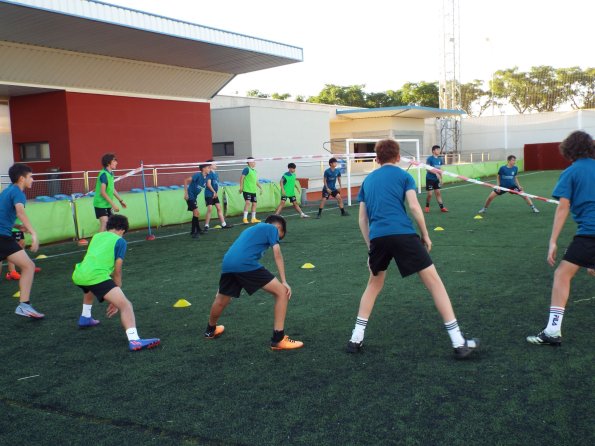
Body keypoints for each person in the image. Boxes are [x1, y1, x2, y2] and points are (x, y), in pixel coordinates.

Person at [346, 139, 478, 359]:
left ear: (376, 159)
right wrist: (425, 234)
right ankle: (458, 342)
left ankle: (355, 338)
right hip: (403, 234)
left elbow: (362, 219)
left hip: (378, 238)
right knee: (434, 283)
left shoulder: (367, 181)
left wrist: (371, 248)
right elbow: (415, 207)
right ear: (398, 158)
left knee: (374, 284)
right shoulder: (404, 176)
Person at [527, 130, 595, 346]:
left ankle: (553, 330)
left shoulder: (571, 172)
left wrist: (553, 241)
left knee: (562, 275)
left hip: (589, 233)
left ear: (569, 149)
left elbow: (562, 208)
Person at [203, 214, 303, 350]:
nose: (277, 238)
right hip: (245, 264)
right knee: (282, 292)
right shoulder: (272, 229)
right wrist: (284, 281)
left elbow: (238, 250)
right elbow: (277, 254)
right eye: (280, 236)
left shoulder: (251, 229)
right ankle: (278, 339)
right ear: (279, 228)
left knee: (222, 299)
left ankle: (210, 330)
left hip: (228, 263)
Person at [72, 214, 160, 352]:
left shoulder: (97, 236)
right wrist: (116, 295)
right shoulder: (120, 241)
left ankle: (85, 316)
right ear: (122, 230)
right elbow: (117, 270)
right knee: (126, 305)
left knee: (89, 287)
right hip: (95, 276)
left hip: (79, 274)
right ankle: (134, 340)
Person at [0, 163, 44, 318]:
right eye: (30, 177)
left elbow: (4, 215)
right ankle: (24, 305)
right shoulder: (18, 192)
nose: (32, 180)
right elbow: (20, 212)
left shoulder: (6, 192)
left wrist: (17, 226)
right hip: (2, 237)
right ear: (21, 179)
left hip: (3, 235)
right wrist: (33, 233)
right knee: (29, 266)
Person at [93, 153, 127, 232]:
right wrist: (113, 205)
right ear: (108, 163)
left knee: (111, 226)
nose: (116, 163)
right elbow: (103, 192)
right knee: (104, 224)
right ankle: (97, 243)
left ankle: (109, 242)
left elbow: (112, 189)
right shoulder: (104, 174)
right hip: (100, 204)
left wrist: (121, 201)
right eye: (114, 161)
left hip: (107, 204)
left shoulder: (111, 174)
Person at [204, 160, 232, 231]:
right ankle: (206, 225)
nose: (216, 164)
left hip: (214, 194)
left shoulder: (216, 174)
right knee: (210, 209)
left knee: (219, 208)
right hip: (209, 194)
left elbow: (216, 183)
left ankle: (223, 224)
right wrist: (214, 192)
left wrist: (216, 192)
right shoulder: (209, 173)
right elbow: (208, 184)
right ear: (210, 166)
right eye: (214, 164)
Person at [184, 163, 210, 238]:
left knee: (196, 213)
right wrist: (186, 194)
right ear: (203, 169)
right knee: (196, 212)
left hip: (194, 197)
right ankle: (193, 232)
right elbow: (186, 180)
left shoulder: (206, 177)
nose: (209, 169)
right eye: (208, 167)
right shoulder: (198, 175)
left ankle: (197, 230)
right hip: (190, 196)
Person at [424, 145, 448, 213]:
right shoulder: (430, 159)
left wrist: (441, 179)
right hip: (430, 179)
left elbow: (439, 169)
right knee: (430, 194)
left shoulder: (440, 159)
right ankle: (427, 206)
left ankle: (442, 207)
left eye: (439, 149)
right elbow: (427, 169)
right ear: (433, 151)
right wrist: (435, 173)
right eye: (437, 149)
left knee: (438, 193)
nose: (439, 151)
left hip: (436, 180)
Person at [239, 157, 263, 224]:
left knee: (254, 204)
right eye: (253, 162)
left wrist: (260, 187)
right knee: (248, 203)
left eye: (254, 161)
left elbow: (255, 181)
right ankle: (245, 219)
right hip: (247, 190)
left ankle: (253, 218)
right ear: (249, 162)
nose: (254, 163)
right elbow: (241, 178)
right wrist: (241, 187)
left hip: (253, 191)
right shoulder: (246, 169)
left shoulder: (254, 171)